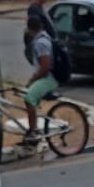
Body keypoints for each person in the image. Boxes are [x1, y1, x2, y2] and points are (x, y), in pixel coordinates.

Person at [21, 15, 57, 144]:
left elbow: (45, 67)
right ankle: (33, 127)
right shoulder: (42, 39)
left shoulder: (41, 42)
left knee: (28, 99)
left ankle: (33, 130)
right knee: (26, 94)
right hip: (45, 78)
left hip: (48, 79)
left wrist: (32, 79)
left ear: (30, 29)